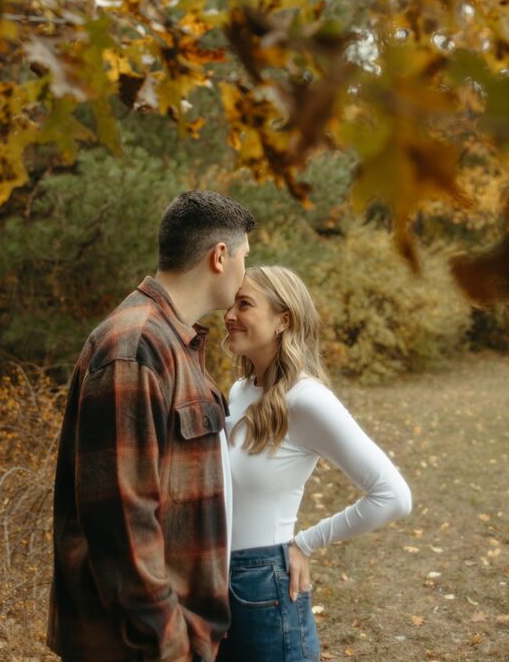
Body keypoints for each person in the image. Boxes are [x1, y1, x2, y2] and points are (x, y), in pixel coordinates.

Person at [47, 190, 256, 662]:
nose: (247, 272)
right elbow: (122, 522)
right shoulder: (135, 347)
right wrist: (170, 643)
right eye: (245, 257)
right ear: (219, 257)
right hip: (137, 646)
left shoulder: (175, 342)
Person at [218, 265, 412, 662]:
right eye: (230, 303)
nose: (229, 315)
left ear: (282, 320)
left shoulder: (307, 399)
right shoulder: (239, 391)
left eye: (245, 304)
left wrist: (307, 542)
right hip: (214, 583)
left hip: (264, 588)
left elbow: (393, 496)